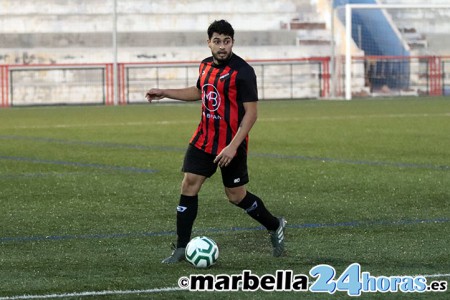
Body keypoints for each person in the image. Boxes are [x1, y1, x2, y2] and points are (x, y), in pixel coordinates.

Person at [145, 20, 286, 263]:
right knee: (189, 184)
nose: (222, 46)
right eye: (217, 41)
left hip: (232, 143)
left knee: (236, 196)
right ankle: (181, 248)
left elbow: (251, 114)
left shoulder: (243, 72)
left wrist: (232, 147)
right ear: (208, 42)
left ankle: (274, 225)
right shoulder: (205, 66)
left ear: (232, 42)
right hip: (203, 138)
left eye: (227, 41)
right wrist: (166, 92)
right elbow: (201, 91)